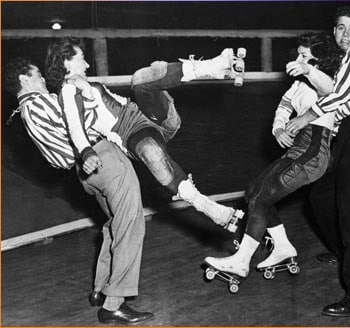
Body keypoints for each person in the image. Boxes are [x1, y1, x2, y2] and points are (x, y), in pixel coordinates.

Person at [3, 57, 154, 325]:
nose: (42, 79)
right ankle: (113, 305)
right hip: (102, 157)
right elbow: (79, 115)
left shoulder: (25, 112)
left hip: (85, 172)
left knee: (114, 225)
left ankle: (101, 289)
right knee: (130, 224)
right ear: (24, 79)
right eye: (36, 74)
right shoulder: (38, 103)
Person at [44, 37, 244, 233]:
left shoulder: (78, 85)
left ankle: (215, 65)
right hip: (134, 134)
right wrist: (86, 151)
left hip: (155, 118)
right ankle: (213, 210)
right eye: (82, 58)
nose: (87, 64)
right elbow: (74, 125)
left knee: (140, 79)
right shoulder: (69, 91)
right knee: (151, 153)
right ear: (66, 61)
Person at [204, 33, 344, 278]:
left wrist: (308, 69)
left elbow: (329, 89)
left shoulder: (327, 79)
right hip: (299, 149)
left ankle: (241, 260)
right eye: (298, 54)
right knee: (253, 190)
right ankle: (282, 247)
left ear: (319, 59)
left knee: (261, 197)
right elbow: (284, 105)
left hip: (313, 152)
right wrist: (278, 128)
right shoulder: (300, 83)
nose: (298, 59)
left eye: (304, 55)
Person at [285, 6, 350, 317]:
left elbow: (342, 96)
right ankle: (343, 251)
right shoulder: (341, 61)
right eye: (341, 28)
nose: (346, 34)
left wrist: (303, 117)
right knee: (320, 195)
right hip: (349, 133)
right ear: (334, 31)